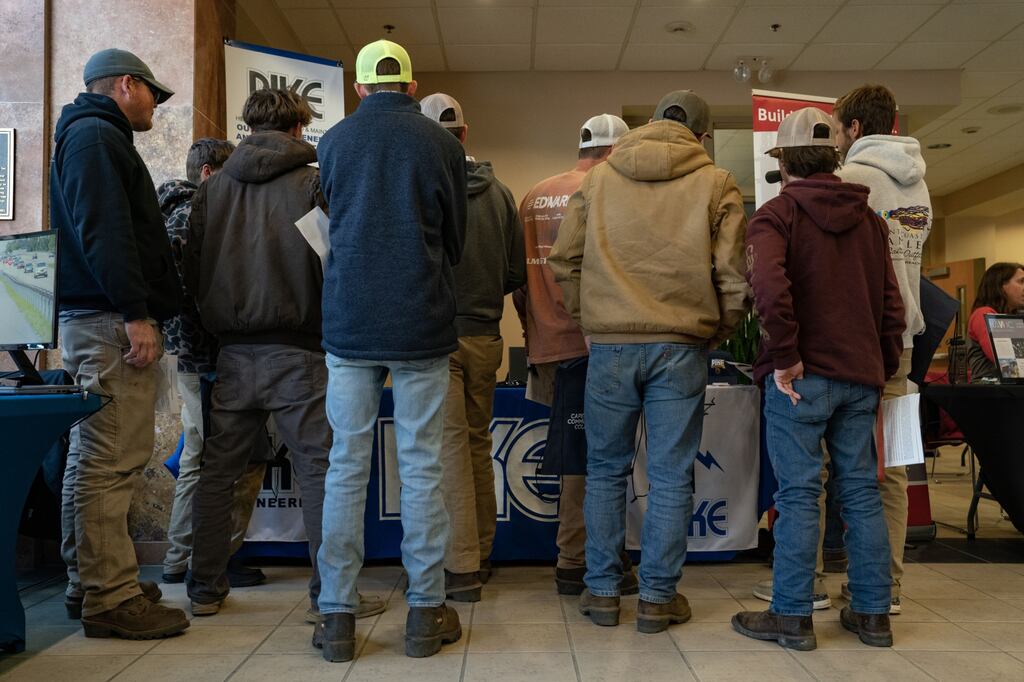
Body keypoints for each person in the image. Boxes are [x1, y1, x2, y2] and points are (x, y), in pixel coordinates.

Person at [549, 90, 748, 634]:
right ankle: (658, 598)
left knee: (605, 471)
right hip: (682, 345)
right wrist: (718, 330)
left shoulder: (600, 179)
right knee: (670, 476)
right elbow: (733, 276)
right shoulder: (717, 182)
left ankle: (604, 592)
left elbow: (564, 260)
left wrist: (589, 318)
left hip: (609, 345)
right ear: (703, 137)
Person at [183, 88, 371, 623]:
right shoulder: (312, 185)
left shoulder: (211, 192)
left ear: (246, 127)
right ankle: (328, 596)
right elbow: (337, 265)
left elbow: (192, 275)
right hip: (299, 352)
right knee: (319, 472)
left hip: (233, 356)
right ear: (298, 129)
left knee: (217, 472)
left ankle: (203, 588)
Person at [313, 40, 467, 662]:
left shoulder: (333, 143)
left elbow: (328, 224)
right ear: (409, 84)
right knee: (423, 467)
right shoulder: (441, 144)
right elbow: (454, 238)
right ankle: (426, 614)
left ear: (357, 88)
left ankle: (338, 620)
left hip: (349, 324)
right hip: (419, 322)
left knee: (346, 467)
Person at [732, 107, 905, 651]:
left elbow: (767, 288)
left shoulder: (776, 216)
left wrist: (784, 356)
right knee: (860, 492)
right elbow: (891, 305)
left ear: (781, 162)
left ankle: (791, 615)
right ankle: (873, 615)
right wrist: (883, 364)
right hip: (860, 374)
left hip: (799, 378)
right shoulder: (872, 221)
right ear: (836, 158)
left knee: (801, 493)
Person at [52, 48, 188, 638]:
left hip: (96, 319)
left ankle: (91, 581)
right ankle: (110, 598)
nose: (156, 105)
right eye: (153, 93)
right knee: (112, 462)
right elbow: (105, 232)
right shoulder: (97, 139)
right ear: (126, 85)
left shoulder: (87, 137)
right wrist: (136, 314)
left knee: (92, 460)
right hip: (109, 322)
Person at [513, 113, 639, 597]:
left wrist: (535, 330)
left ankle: (590, 553)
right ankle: (575, 558)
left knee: (577, 451)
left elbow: (518, 281)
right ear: (613, 152)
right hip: (592, 342)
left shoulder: (533, 195)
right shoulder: (606, 191)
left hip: (546, 341)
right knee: (588, 457)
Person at [420, 92, 526, 602]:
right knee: (478, 445)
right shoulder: (501, 192)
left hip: (436, 337)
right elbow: (513, 273)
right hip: (487, 335)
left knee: (449, 451)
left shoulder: (421, 187)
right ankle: (481, 550)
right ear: (465, 132)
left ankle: (460, 568)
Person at [834, 84, 931, 614]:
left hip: (855, 342)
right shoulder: (920, 185)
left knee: (832, 463)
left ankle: (820, 580)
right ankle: (887, 587)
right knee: (893, 465)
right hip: (905, 341)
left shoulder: (853, 180)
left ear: (852, 129)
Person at [156, 138, 267, 588]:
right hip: (205, 358)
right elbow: (192, 296)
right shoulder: (192, 217)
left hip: (192, 357)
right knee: (219, 460)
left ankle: (182, 556)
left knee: (198, 457)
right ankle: (208, 556)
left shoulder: (173, 213)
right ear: (207, 174)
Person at [967, 262, 1024, 381]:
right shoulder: (983, 314)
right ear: (1001, 286)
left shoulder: (1016, 315)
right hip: (989, 394)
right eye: (1021, 281)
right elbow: (1008, 364)